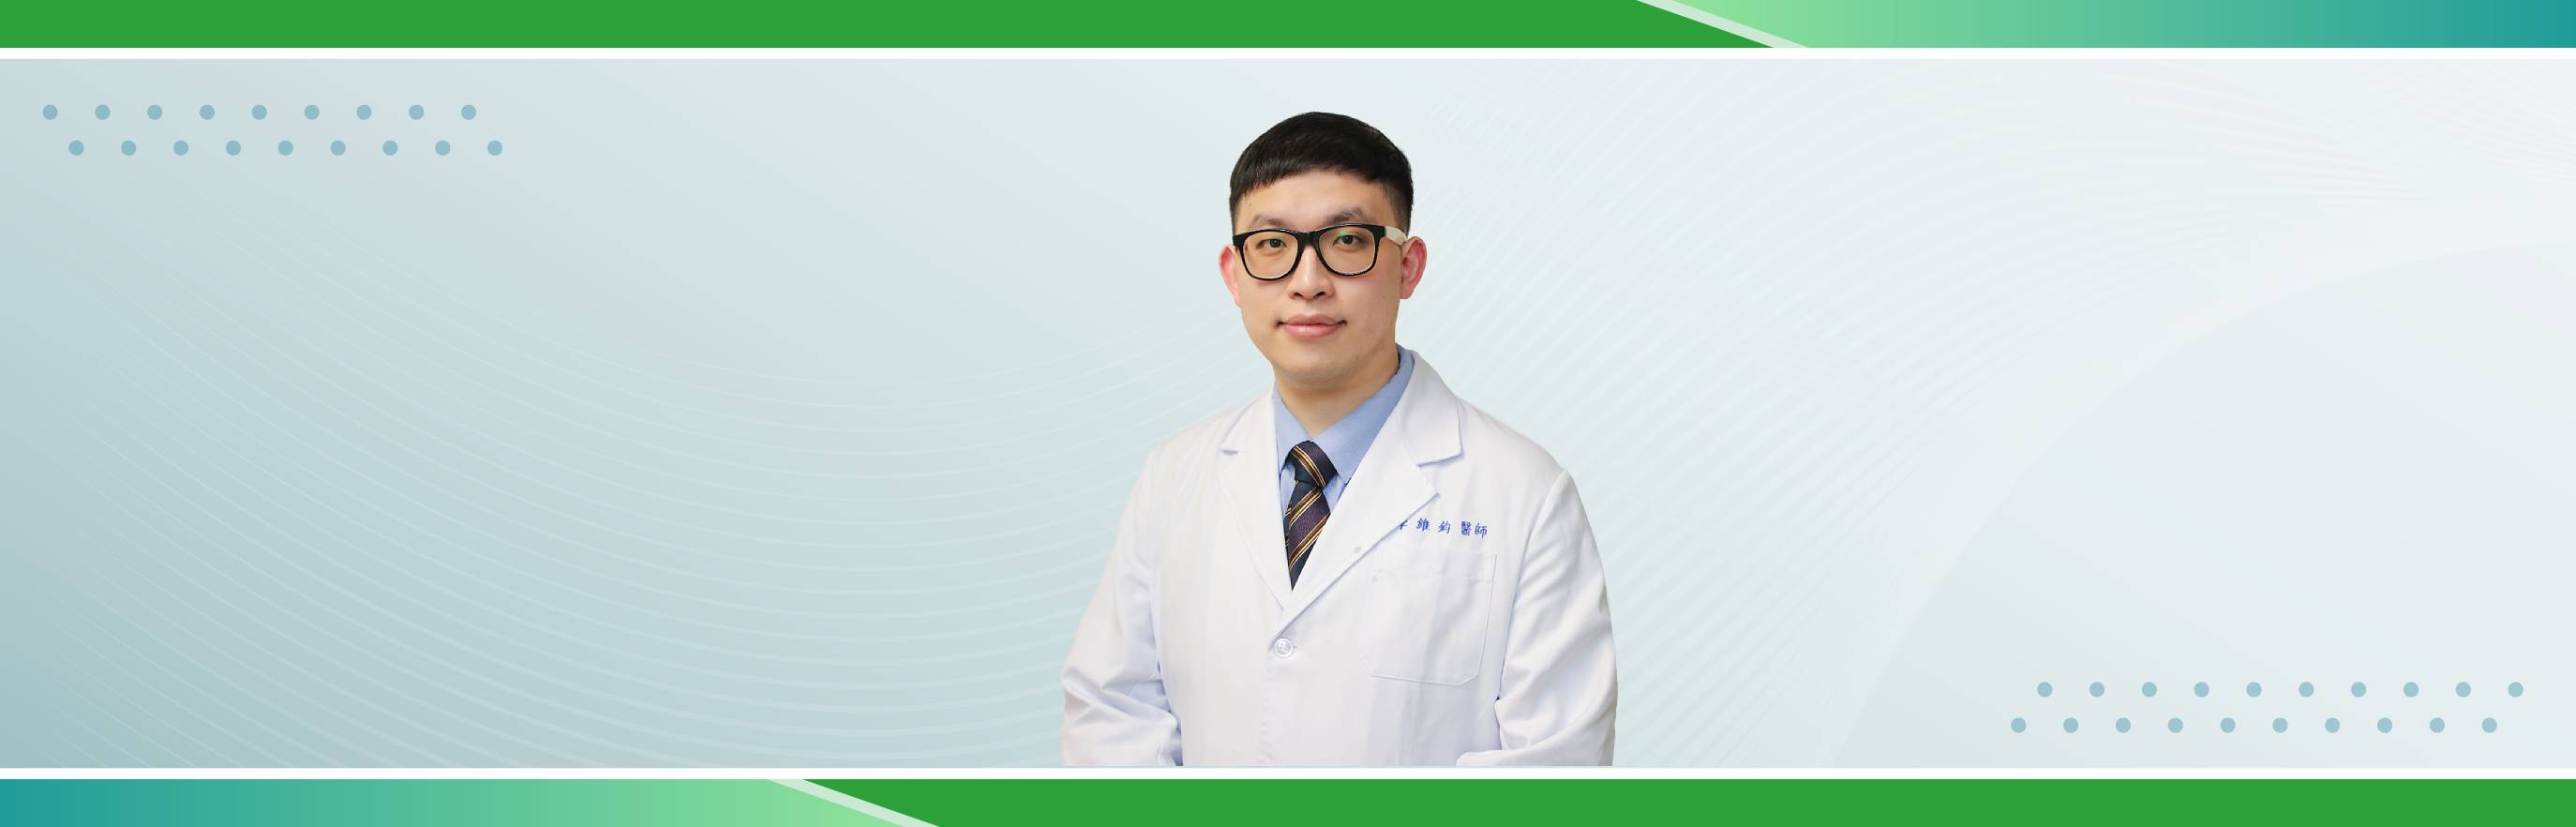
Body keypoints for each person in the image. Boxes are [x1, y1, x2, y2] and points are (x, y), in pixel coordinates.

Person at [1060, 112, 1614, 765]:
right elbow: (1113, 715)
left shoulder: (1524, 492)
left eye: (1347, 240)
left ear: (1408, 267)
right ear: (1233, 274)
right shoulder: (1175, 474)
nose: (1308, 282)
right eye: (1272, 244)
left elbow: (1554, 764)